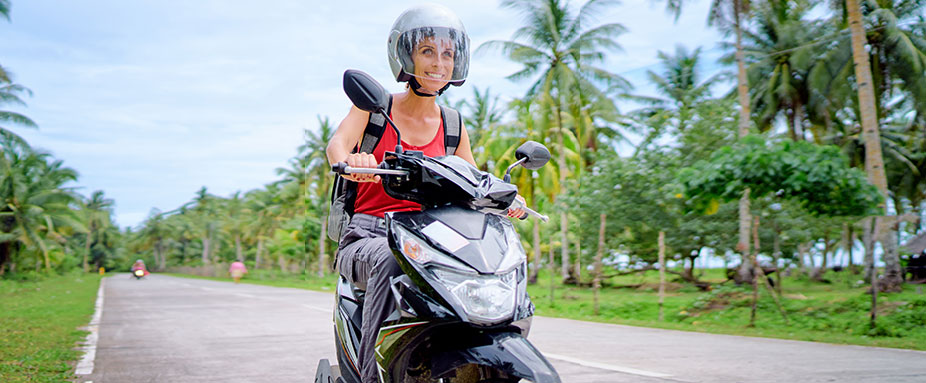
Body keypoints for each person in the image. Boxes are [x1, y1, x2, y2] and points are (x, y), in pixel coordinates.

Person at [325, 4, 524, 382]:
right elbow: (337, 147)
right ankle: (373, 376)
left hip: (429, 237)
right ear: (407, 56)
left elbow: (472, 178)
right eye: (428, 51)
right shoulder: (374, 109)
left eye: (447, 54)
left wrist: (508, 198)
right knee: (390, 259)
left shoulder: (453, 123)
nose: (439, 63)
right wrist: (355, 163)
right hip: (368, 235)